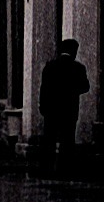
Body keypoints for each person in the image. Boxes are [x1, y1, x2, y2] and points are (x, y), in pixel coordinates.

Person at [38, 38, 90, 174]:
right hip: (69, 109)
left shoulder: (50, 66)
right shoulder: (78, 68)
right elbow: (85, 87)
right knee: (67, 140)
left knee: (49, 139)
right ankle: (65, 169)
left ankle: (46, 168)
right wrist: (72, 90)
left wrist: (42, 106)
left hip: (51, 109)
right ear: (73, 51)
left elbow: (44, 88)